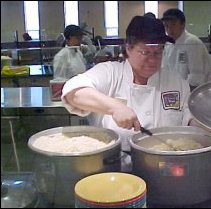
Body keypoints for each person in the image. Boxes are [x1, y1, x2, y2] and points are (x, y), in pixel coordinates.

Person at [61, 16, 194, 169]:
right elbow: (73, 91)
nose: (152, 60)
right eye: (145, 52)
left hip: (165, 170)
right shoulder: (111, 73)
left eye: (158, 52)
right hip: (114, 170)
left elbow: (189, 117)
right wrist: (115, 107)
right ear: (128, 48)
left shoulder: (174, 80)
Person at [161, 8, 211, 91]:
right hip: (175, 93)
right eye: (166, 26)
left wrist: (177, 88)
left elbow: (197, 78)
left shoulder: (192, 42)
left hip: (195, 93)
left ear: (183, 25)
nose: (169, 29)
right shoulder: (168, 44)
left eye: (173, 24)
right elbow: (165, 69)